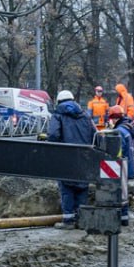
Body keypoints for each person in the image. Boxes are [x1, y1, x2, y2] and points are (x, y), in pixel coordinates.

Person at [48, 89, 97, 229]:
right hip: (84, 157)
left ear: (59, 101)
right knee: (82, 187)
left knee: (66, 187)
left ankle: (68, 221)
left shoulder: (58, 115)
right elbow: (95, 135)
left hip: (66, 157)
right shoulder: (85, 116)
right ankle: (82, 220)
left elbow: (53, 135)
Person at [107, 104, 134, 226]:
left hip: (120, 166)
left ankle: (120, 218)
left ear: (114, 118)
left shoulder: (119, 131)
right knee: (124, 193)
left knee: (119, 193)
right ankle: (124, 217)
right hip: (128, 166)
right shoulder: (128, 129)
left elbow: (118, 151)